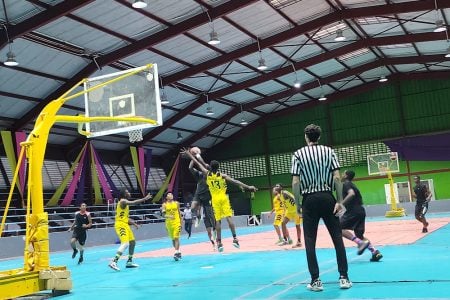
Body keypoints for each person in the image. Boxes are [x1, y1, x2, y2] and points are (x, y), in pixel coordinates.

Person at [291, 124, 351, 292]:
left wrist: (297, 204)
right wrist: (339, 200)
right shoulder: (329, 152)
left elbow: (295, 182)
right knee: (337, 237)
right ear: (319, 136)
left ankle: (315, 280)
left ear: (306, 137)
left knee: (310, 240)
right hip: (327, 197)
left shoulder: (298, 154)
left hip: (309, 199)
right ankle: (344, 277)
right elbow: (337, 177)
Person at [183, 148, 257, 252]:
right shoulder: (222, 175)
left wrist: (189, 155)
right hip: (223, 198)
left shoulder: (207, 174)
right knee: (229, 219)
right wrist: (248, 187)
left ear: (210, 168)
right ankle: (235, 239)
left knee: (218, 221)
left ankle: (219, 242)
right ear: (218, 167)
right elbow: (235, 181)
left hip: (215, 200)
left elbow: (197, 163)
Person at [340, 170, 382, 262]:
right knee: (359, 234)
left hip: (353, 211)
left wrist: (341, 204)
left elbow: (351, 194)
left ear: (346, 176)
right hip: (360, 210)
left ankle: (359, 243)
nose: (341, 175)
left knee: (338, 228)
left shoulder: (346, 184)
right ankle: (375, 252)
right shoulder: (353, 184)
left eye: (343, 173)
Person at [108, 188, 152, 271]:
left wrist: (135, 224)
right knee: (125, 243)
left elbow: (125, 218)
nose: (129, 192)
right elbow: (134, 202)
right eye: (127, 191)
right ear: (124, 194)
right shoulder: (123, 201)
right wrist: (144, 199)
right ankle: (113, 262)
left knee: (132, 242)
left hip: (125, 224)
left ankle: (129, 262)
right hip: (120, 225)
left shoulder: (125, 204)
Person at [188, 158, 217, 250]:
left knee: (210, 217)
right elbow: (190, 167)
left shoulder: (211, 175)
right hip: (198, 195)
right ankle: (198, 216)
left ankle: (215, 241)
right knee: (192, 208)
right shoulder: (199, 175)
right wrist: (193, 158)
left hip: (207, 197)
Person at [275, 184, 302, 248]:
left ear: (281, 188)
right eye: (275, 186)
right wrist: (284, 212)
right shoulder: (279, 196)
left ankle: (299, 241)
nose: (276, 187)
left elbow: (293, 197)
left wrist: (298, 206)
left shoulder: (284, 192)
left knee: (297, 226)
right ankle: (285, 240)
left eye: (277, 186)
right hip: (289, 212)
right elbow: (285, 204)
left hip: (295, 210)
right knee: (283, 223)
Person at [162, 192, 182, 260]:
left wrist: (181, 223)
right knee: (173, 239)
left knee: (176, 237)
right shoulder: (164, 205)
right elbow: (163, 214)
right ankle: (178, 251)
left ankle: (176, 253)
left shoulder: (176, 203)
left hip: (177, 222)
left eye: (171, 194)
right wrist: (169, 216)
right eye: (169, 195)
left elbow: (179, 213)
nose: (171, 195)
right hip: (169, 224)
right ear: (166, 197)